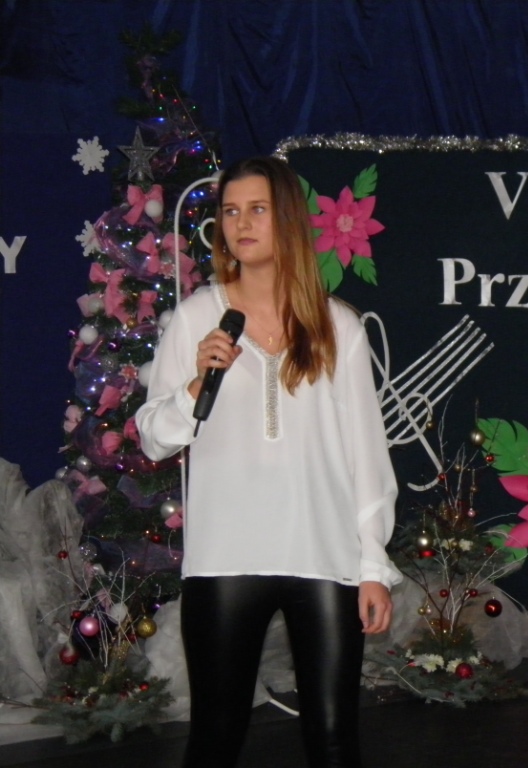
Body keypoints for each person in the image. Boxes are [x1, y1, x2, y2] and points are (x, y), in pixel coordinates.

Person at [135, 156, 400, 768]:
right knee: (216, 737)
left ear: (286, 220)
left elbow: (366, 454)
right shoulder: (197, 318)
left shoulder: (337, 325)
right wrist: (195, 384)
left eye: (257, 209)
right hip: (225, 558)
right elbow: (153, 439)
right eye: (231, 211)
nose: (242, 224)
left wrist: (371, 565)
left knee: (333, 739)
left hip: (324, 557)